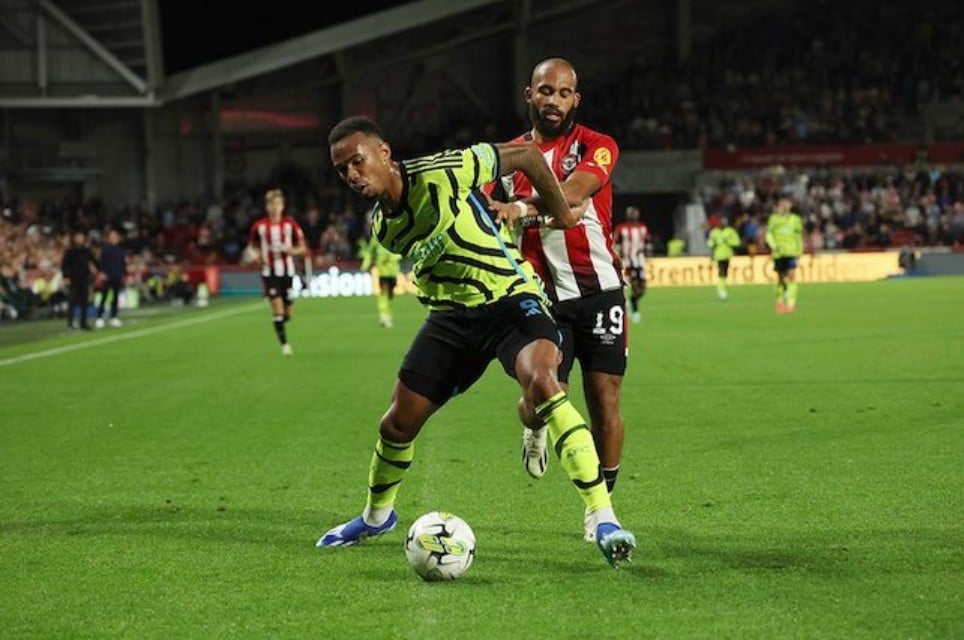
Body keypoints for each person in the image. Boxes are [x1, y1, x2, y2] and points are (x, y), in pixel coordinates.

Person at [317, 116, 636, 568]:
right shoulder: (385, 229)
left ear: (384, 154)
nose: (351, 174)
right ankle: (376, 517)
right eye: (341, 169)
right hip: (454, 319)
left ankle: (603, 517)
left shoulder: (442, 170)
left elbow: (524, 155)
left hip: (511, 300)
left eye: (357, 161)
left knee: (545, 384)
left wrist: (560, 213)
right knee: (395, 424)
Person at [486, 58, 628, 542]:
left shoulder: (598, 146)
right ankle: (534, 427)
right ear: (529, 95)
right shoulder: (506, 157)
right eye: (545, 91)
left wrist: (521, 210)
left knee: (604, 400)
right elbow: (485, 211)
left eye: (564, 93)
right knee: (541, 399)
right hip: (540, 297)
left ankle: (600, 507)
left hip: (600, 290)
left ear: (576, 100)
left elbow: (570, 195)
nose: (554, 100)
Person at [247, 189, 306, 355]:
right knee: (278, 310)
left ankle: (281, 321)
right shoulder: (259, 226)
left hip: (287, 272)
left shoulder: (290, 224)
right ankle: (285, 345)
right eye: (271, 204)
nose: (275, 207)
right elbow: (251, 246)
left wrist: (291, 251)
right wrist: (257, 256)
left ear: (282, 206)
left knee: (288, 314)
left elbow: (302, 247)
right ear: (267, 206)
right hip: (269, 273)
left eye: (277, 204)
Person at [765, 197, 804, 313]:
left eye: (787, 204)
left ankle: (791, 304)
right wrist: (773, 246)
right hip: (779, 253)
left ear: (790, 206)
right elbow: (768, 234)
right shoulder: (774, 219)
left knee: (792, 276)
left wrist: (799, 250)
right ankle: (780, 302)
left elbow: (798, 236)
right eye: (782, 204)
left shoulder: (795, 219)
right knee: (781, 279)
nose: (785, 206)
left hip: (791, 252)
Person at [613, 206, 649, 322]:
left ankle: (631, 301)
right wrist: (618, 256)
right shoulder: (621, 228)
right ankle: (633, 312)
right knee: (626, 287)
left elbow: (647, 243)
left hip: (640, 262)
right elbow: (615, 243)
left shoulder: (643, 228)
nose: (633, 216)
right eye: (631, 214)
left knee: (641, 289)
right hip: (627, 263)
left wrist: (647, 255)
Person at [359, 234, 401, 328]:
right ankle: (384, 317)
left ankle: (388, 315)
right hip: (383, 273)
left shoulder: (394, 238)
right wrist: (365, 265)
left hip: (393, 272)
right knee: (383, 294)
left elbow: (399, 254)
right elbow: (370, 253)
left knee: (390, 296)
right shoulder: (375, 240)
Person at [61, 230, 97, 330]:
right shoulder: (70, 251)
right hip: (73, 279)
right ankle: (70, 323)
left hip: (85, 278)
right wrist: (66, 276)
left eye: (81, 237)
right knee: (72, 301)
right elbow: (64, 265)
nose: (79, 239)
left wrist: (95, 269)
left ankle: (83, 323)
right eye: (77, 237)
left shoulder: (87, 251)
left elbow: (94, 261)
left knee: (84, 301)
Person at [95, 228, 127, 327]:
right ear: (108, 238)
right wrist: (102, 273)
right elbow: (100, 263)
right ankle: (99, 317)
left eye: (116, 237)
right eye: (112, 237)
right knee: (104, 298)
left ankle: (114, 317)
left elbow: (122, 264)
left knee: (115, 298)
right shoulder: (105, 250)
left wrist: (123, 274)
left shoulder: (120, 250)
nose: (114, 238)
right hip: (107, 276)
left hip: (117, 276)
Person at [706, 216, 741, 300]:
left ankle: (722, 288)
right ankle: (721, 289)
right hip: (718, 255)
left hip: (727, 255)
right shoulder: (714, 232)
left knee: (724, 272)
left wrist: (728, 241)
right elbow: (709, 243)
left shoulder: (730, 231)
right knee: (721, 271)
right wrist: (713, 243)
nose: (723, 224)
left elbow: (737, 242)